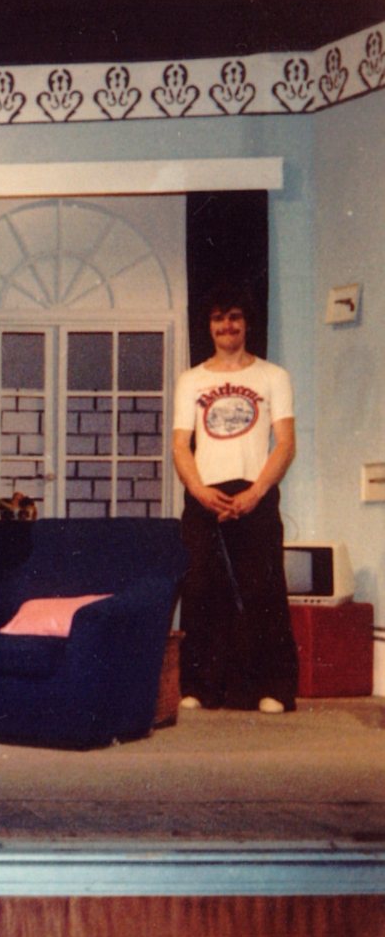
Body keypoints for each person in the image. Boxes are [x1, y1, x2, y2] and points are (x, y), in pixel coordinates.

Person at [171, 285, 298, 714]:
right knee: (201, 589)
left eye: (235, 317)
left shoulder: (273, 376)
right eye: (218, 318)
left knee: (263, 589)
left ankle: (272, 689)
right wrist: (199, 491)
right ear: (208, 326)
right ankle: (200, 687)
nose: (227, 326)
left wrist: (255, 493)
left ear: (247, 323)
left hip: (254, 493)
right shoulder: (191, 380)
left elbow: (285, 444)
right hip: (204, 494)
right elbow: (180, 445)